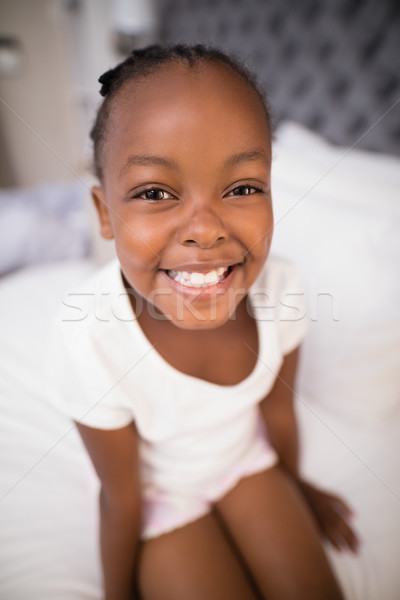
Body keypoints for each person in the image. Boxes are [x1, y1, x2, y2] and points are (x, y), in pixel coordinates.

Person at [49, 44, 358, 600]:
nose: (206, 230)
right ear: (104, 215)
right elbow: (120, 497)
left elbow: (279, 412)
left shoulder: (280, 287)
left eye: (242, 188)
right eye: (155, 193)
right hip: (160, 498)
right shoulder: (91, 337)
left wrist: (297, 487)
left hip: (246, 461)